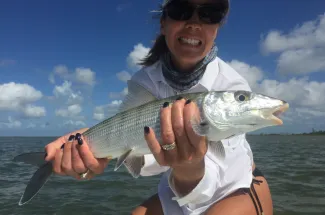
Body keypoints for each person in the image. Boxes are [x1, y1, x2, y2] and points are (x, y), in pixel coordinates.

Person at [44, 0, 273, 214]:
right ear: (164, 23)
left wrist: (188, 167)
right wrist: (91, 145)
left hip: (236, 188)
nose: (194, 24)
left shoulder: (231, 85)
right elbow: (137, 143)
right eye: (181, 11)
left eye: (209, 14)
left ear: (217, 28)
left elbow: (216, 171)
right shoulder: (144, 81)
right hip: (175, 191)